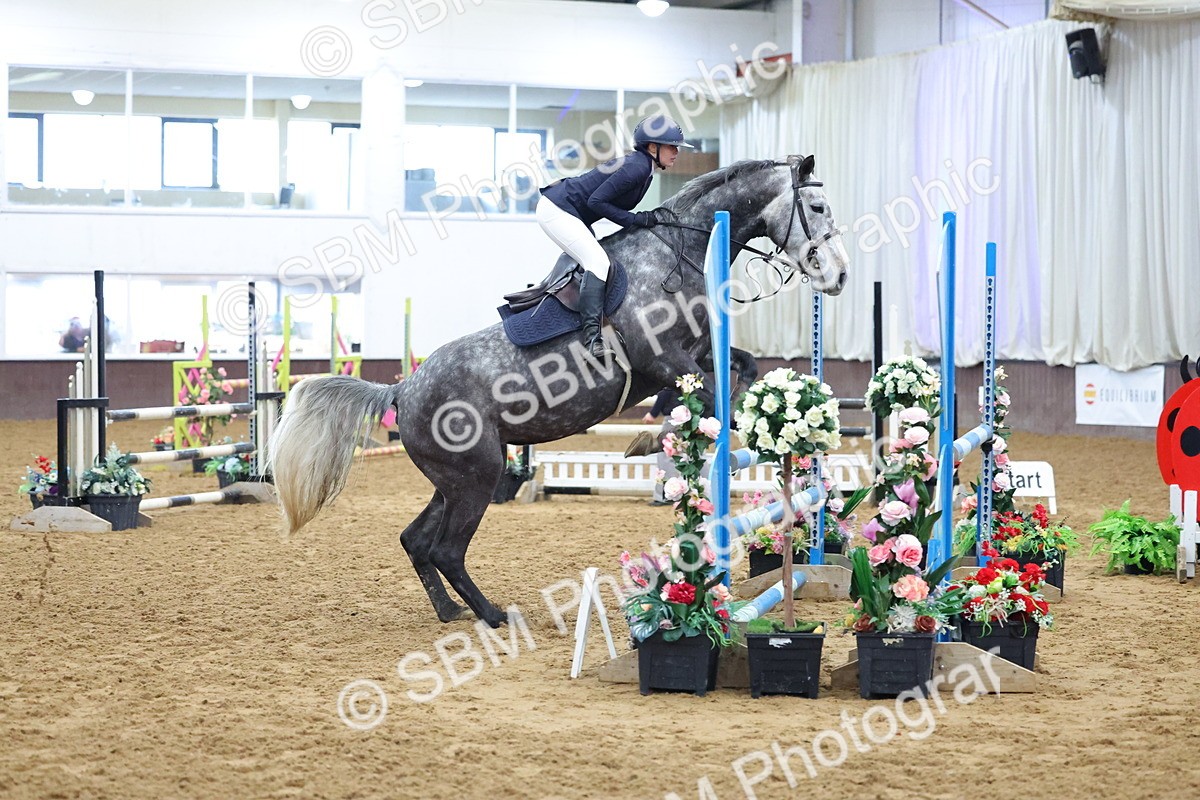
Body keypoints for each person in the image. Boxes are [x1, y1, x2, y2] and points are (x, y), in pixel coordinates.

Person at [537, 115, 691, 357]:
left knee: (600, 260)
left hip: (571, 211)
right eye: (672, 146)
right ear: (653, 147)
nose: (676, 152)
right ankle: (592, 342)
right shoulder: (637, 167)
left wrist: (638, 219)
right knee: (597, 262)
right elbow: (596, 201)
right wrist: (636, 220)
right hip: (557, 210)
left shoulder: (644, 166)